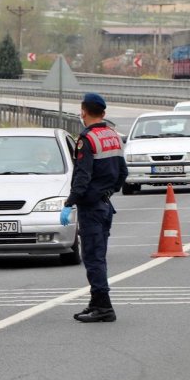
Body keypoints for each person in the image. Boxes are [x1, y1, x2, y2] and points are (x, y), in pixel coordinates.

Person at [60, 93, 128, 323]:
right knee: (97, 256)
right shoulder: (113, 136)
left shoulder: (87, 139)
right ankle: (96, 301)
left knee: (93, 258)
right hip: (105, 205)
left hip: (91, 208)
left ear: (84, 112)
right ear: (104, 113)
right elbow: (123, 173)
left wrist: (69, 202)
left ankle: (104, 307)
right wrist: (108, 192)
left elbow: (82, 175)